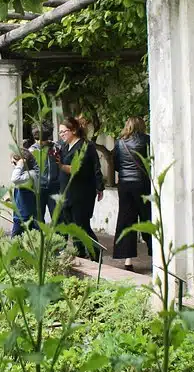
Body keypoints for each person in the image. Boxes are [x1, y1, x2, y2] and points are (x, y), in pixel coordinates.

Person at [55, 116, 103, 258]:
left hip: (82, 192)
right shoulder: (64, 146)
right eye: (60, 132)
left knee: (82, 226)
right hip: (66, 191)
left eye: (64, 132)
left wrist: (61, 166)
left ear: (74, 130)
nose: (62, 135)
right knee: (73, 227)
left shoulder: (85, 146)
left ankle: (96, 255)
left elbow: (78, 168)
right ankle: (80, 254)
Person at [113, 116, 155, 271]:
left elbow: (117, 164)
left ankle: (128, 260)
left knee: (126, 220)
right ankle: (155, 256)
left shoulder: (119, 142)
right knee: (148, 218)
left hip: (124, 185)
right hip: (142, 183)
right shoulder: (147, 140)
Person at [29, 123, 60, 223]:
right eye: (37, 139)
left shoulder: (56, 148)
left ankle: (59, 238)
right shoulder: (31, 151)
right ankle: (38, 238)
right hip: (38, 189)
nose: (39, 142)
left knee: (58, 218)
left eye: (42, 140)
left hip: (54, 187)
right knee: (38, 218)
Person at [10, 147, 39, 237]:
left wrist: (19, 165)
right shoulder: (26, 174)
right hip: (21, 214)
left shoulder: (30, 175)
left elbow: (14, 179)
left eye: (14, 163)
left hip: (24, 216)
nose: (13, 166)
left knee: (15, 243)